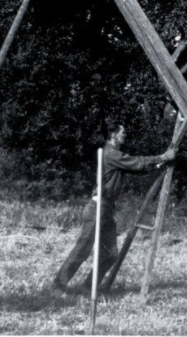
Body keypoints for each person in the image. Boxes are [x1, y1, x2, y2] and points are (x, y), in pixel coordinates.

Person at [53, 120, 176, 291]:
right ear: (114, 135)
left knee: (110, 254)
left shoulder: (115, 155)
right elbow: (136, 161)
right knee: (83, 249)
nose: (125, 135)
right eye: (122, 133)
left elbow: (136, 168)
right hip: (97, 208)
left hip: (107, 210)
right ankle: (58, 285)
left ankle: (89, 287)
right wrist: (163, 156)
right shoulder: (110, 153)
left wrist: (157, 165)